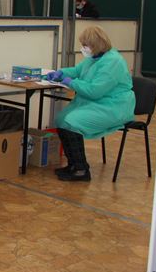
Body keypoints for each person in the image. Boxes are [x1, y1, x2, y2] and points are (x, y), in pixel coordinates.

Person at [46, 26, 135, 182]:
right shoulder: (94, 58)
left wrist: (71, 82)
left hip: (113, 107)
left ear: (96, 45)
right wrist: (61, 73)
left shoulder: (113, 62)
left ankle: (81, 170)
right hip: (96, 103)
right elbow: (77, 71)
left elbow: (95, 91)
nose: (83, 48)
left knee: (71, 121)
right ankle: (73, 164)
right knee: (61, 119)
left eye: (86, 45)